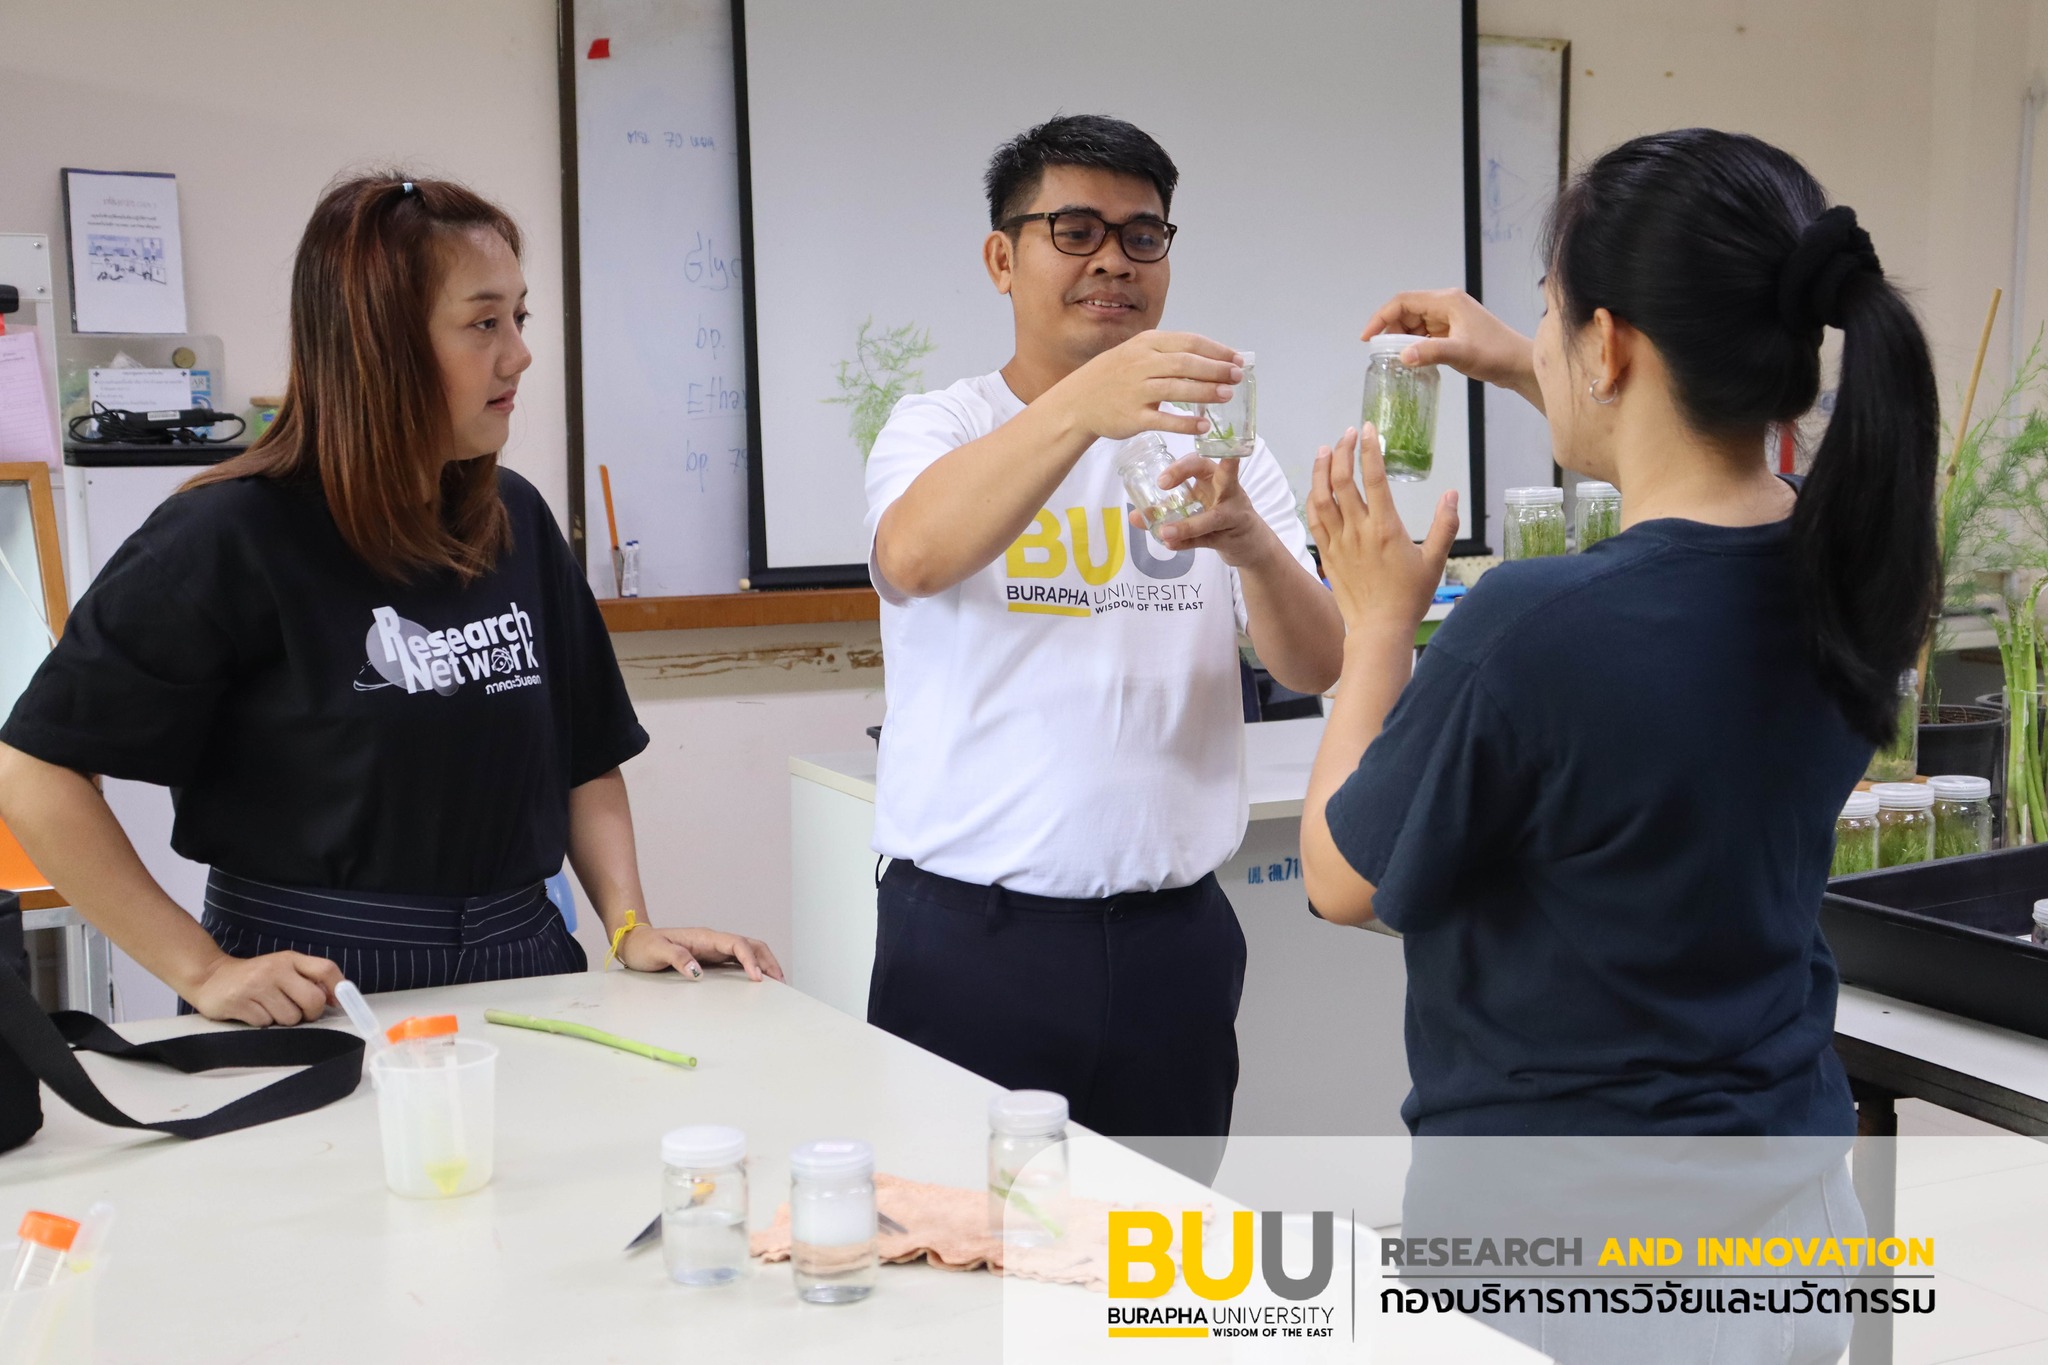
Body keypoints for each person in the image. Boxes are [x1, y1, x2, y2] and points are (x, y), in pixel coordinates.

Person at [0, 172, 780, 1026]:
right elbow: (34, 771)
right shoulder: (227, 534)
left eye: (519, 318)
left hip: (525, 971)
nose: (519, 354)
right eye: (484, 323)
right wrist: (203, 968)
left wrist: (629, 924)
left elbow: (585, 754)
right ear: (379, 344)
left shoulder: (514, 518)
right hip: (319, 994)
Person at [1301, 127, 1937, 1139]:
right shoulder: (1850, 561)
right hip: (1786, 1167)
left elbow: (1343, 880)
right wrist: (1535, 363)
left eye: (1546, 315)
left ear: (1608, 346)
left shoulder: (1532, 626)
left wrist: (1376, 625)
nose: (1536, 341)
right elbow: (1687, 472)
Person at [862, 114, 1344, 1152]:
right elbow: (913, 557)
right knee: (957, 1239)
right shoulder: (940, 424)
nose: (1113, 262)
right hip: (971, 940)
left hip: (1174, 940)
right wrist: (1087, 404)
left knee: (1151, 1247)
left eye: (1142, 236)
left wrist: (1255, 549)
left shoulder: (1223, 444)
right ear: (1001, 260)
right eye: (1074, 232)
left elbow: (1315, 662)